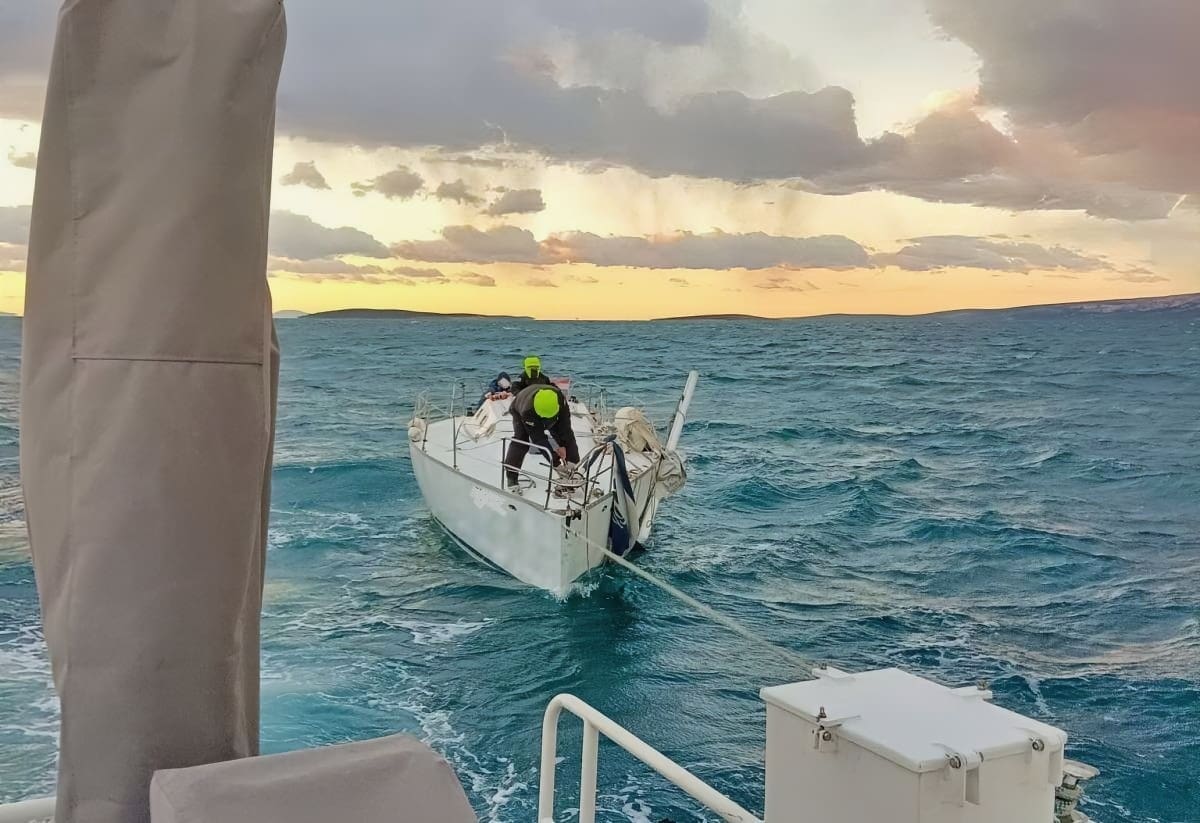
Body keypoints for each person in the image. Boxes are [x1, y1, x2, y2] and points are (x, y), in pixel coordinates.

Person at [504, 383, 579, 489]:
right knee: (521, 439)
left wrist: (565, 449)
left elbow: (566, 429)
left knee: (565, 435)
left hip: (551, 411)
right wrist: (555, 463)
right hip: (521, 408)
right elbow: (539, 439)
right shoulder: (527, 411)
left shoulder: (561, 401)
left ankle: (574, 470)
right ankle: (511, 476)